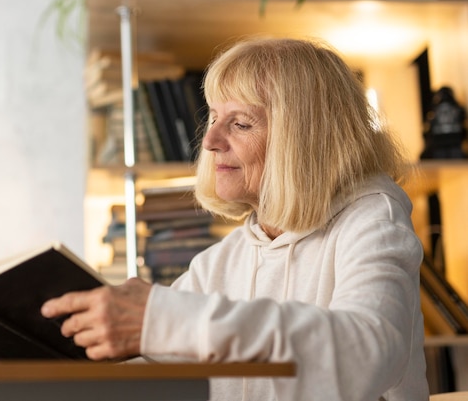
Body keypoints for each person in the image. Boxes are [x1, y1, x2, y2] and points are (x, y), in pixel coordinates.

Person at [41, 37, 429, 401]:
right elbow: (143, 365)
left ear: (305, 140)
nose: (209, 141)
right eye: (212, 117)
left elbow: (368, 351)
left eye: (241, 123)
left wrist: (161, 317)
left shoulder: (374, 220)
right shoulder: (220, 262)